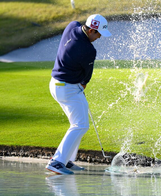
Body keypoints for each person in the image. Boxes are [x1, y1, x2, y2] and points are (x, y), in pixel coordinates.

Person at [45, 14, 112, 175]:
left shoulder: (71, 26)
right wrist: (80, 88)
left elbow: (75, 22)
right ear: (91, 31)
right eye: (98, 34)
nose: (99, 37)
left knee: (77, 123)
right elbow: (85, 79)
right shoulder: (88, 50)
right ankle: (57, 162)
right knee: (80, 125)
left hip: (55, 84)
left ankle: (66, 160)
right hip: (67, 88)